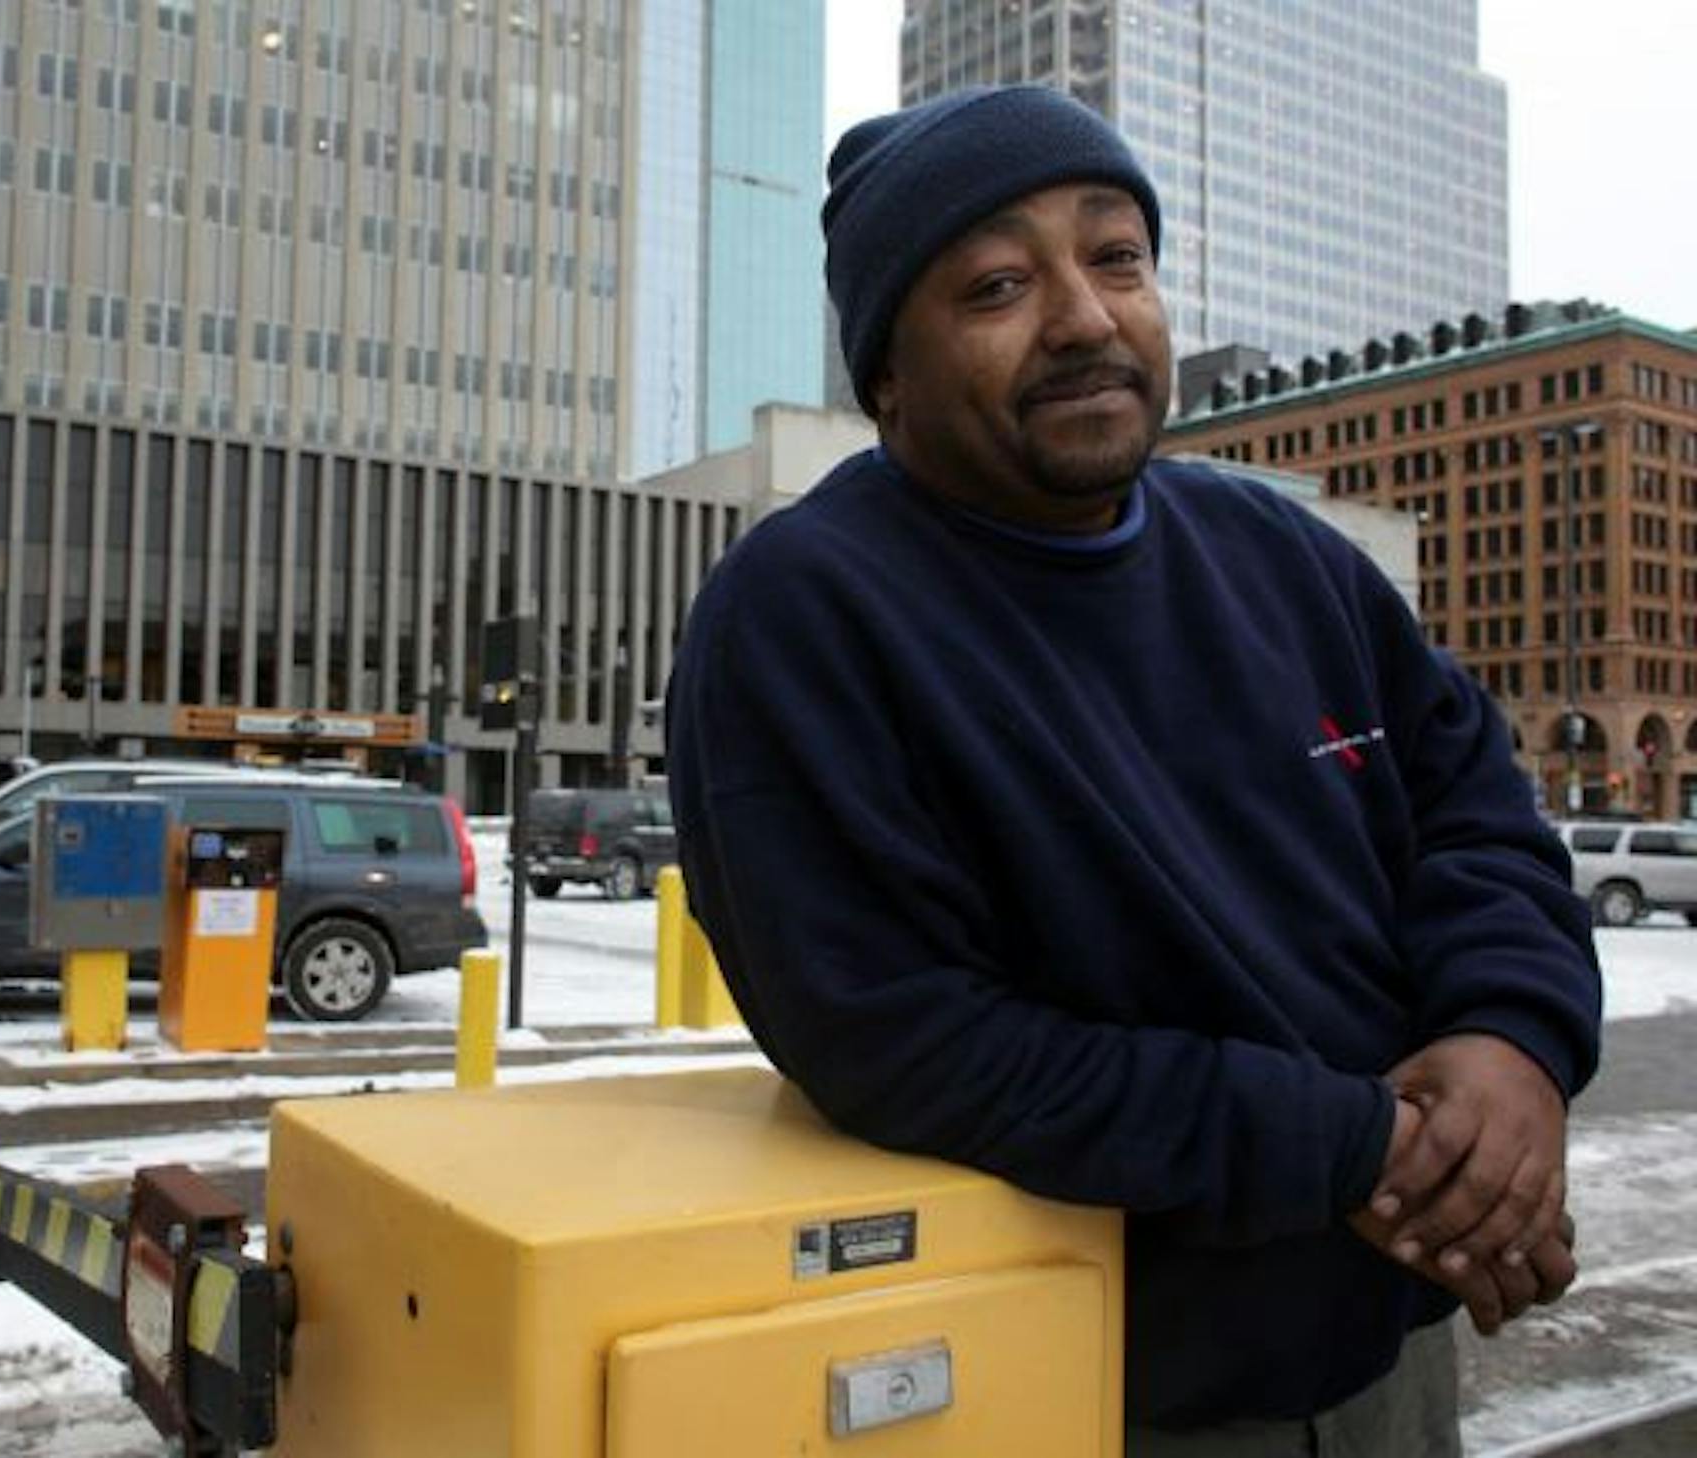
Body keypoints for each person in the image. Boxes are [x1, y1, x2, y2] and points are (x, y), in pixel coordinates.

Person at [665, 85, 1602, 1455]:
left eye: (1117, 256)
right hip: (1097, 1393)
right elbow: (902, 1036)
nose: (1088, 318)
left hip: (1391, 1367)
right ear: (886, 376)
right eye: (997, 283)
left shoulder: (1284, 556)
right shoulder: (803, 614)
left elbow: (1478, 813)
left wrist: (1511, 1041)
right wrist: (1350, 1146)